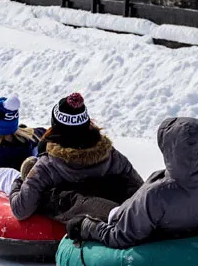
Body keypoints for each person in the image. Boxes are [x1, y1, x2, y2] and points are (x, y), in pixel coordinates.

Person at [67, 117, 198, 248]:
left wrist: (87, 227)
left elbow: (120, 237)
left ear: (171, 151)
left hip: (144, 239)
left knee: (87, 205)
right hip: (192, 239)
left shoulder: (157, 196)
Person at [9, 93, 143, 224]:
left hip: (78, 226)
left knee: (50, 197)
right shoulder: (113, 157)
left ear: (55, 127)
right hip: (123, 220)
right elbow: (140, 190)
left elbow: (21, 210)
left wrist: (20, 182)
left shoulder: (48, 166)